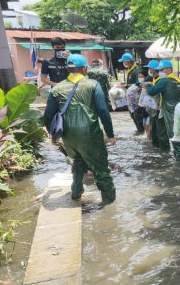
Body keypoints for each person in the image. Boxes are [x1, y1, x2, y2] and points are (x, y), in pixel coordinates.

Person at [43, 54, 116, 204]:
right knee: (101, 168)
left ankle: (76, 192)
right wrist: (110, 134)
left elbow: (48, 115)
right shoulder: (92, 84)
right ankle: (109, 204)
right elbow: (103, 111)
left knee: (77, 161)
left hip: (69, 135)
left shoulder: (57, 88)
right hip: (90, 134)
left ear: (69, 69)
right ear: (84, 68)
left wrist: (53, 135)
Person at [145, 59, 180, 159]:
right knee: (179, 134)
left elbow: (152, 92)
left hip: (170, 110)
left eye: (161, 70)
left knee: (173, 134)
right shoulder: (179, 80)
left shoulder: (165, 80)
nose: (159, 72)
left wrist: (147, 85)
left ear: (168, 70)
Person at [119, 52, 145, 133]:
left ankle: (141, 131)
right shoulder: (130, 70)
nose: (123, 63)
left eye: (124, 62)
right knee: (132, 114)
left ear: (128, 61)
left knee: (137, 115)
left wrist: (126, 86)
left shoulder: (136, 70)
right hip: (131, 97)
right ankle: (139, 131)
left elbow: (138, 83)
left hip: (136, 97)